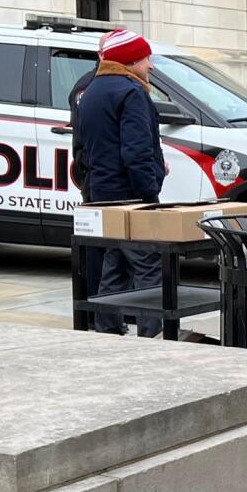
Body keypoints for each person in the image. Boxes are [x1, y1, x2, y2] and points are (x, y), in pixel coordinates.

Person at [74, 28, 167, 338]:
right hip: (130, 196)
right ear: (129, 61)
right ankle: (154, 334)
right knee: (149, 267)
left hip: (102, 192)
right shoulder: (132, 92)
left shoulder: (91, 92)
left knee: (114, 263)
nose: (150, 65)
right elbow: (136, 153)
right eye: (145, 58)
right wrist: (150, 196)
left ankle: (107, 328)